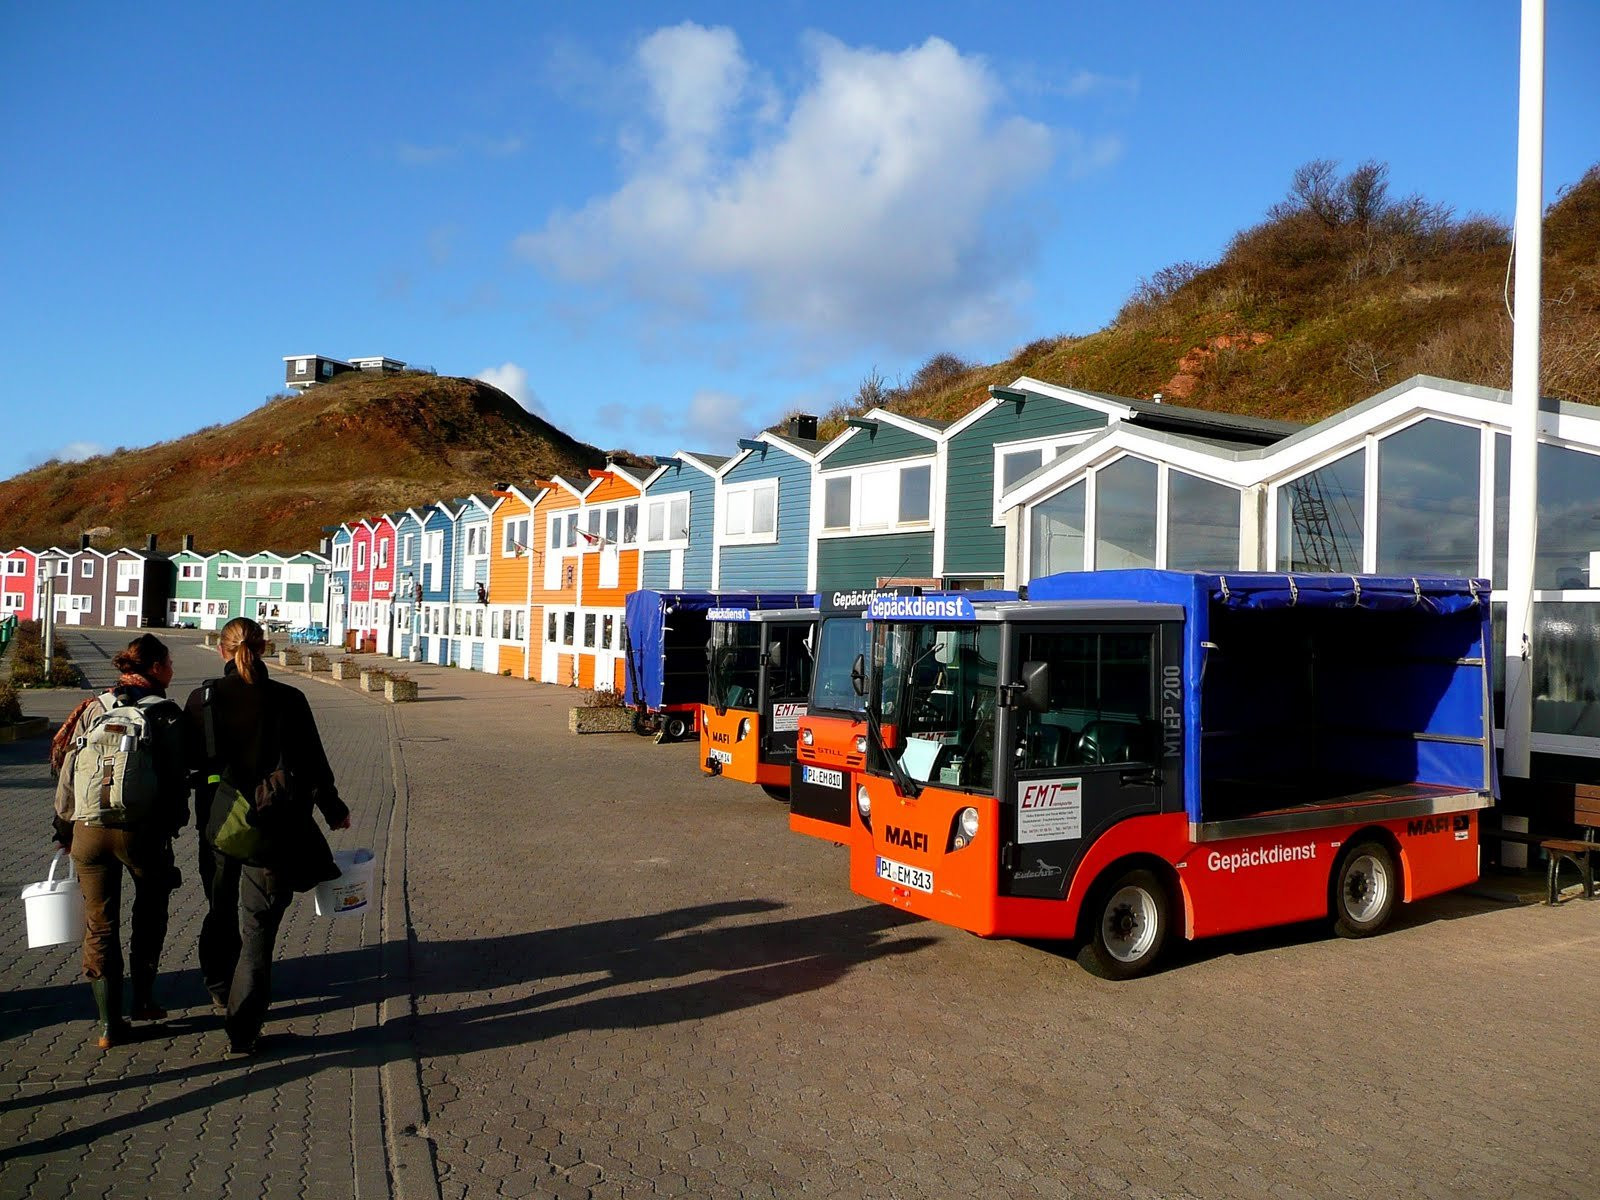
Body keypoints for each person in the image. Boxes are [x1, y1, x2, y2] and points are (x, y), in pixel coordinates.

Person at [185, 616, 351, 1056]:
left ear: (222, 650)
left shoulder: (203, 699)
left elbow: (186, 763)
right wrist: (333, 810)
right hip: (276, 826)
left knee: (219, 909)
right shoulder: (290, 699)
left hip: (218, 825)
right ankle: (243, 1031)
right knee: (257, 928)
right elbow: (314, 765)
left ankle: (220, 989)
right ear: (265, 649)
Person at [51, 634, 187, 1049]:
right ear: (157, 667)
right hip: (141, 832)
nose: (172, 670)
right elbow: (177, 778)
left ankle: (109, 1026)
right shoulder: (165, 713)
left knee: (100, 923)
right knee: (149, 911)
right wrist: (173, 824)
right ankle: (143, 1000)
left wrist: (64, 829)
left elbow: (66, 764)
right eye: (168, 663)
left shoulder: (94, 707)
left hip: (88, 831)